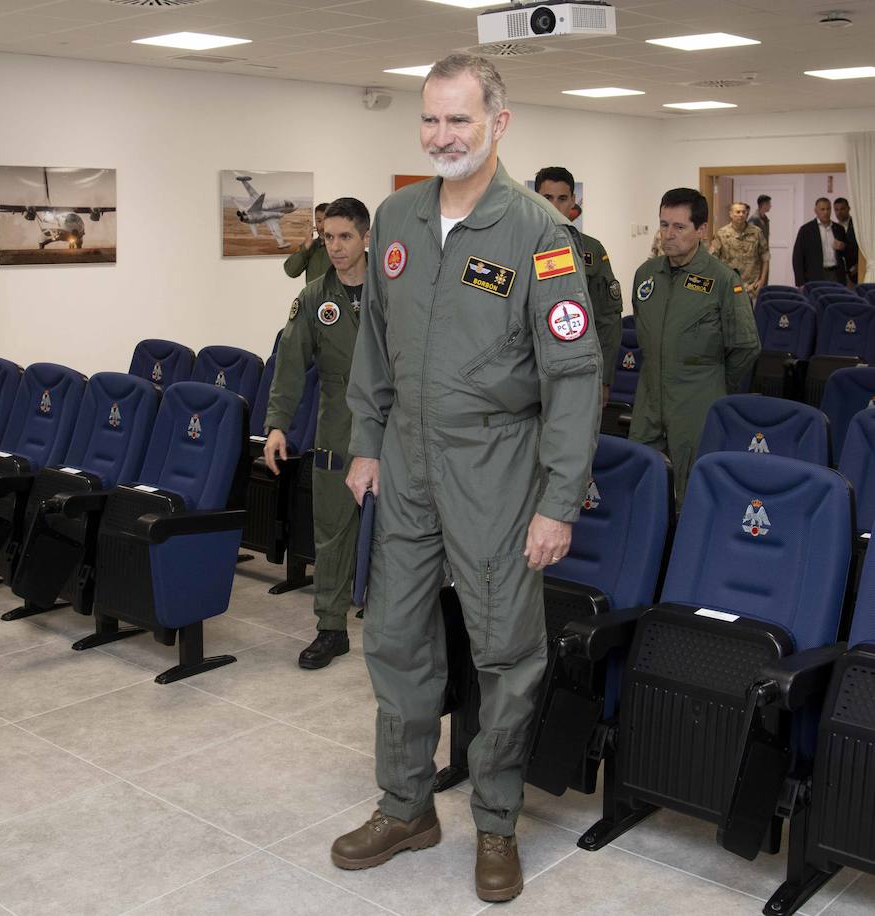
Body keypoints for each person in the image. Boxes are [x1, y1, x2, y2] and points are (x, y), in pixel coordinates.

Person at [333, 54, 601, 903]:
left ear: (499, 123)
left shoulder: (537, 234)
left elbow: (574, 377)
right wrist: (366, 441)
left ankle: (495, 823)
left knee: (505, 653)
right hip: (407, 461)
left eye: (459, 120)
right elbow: (375, 339)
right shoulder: (398, 216)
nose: (442, 136)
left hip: (495, 464)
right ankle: (406, 805)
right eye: (430, 120)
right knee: (395, 639)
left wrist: (558, 501)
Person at [263, 197, 369, 670]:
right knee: (331, 534)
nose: (336, 246)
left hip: (395, 428)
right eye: (329, 237)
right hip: (337, 428)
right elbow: (288, 366)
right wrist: (277, 426)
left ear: (366, 238)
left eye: (345, 236)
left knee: (404, 537)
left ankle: (405, 630)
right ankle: (331, 628)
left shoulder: (396, 292)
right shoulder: (313, 298)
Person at [630, 188, 760, 504]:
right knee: (640, 486)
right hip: (649, 401)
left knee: (689, 494)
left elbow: (746, 346)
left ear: (701, 230)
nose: (667, 235)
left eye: (679, 227)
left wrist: (715, 385)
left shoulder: (722, 279)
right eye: (663, 225)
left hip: (695, 402)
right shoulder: (646, 275)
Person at [535, 166, 622, 404]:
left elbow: (608, 319)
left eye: (562, 199)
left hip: (576, 368)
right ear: (534, 198)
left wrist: (604, 379)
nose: (554, 206)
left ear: (573, 201)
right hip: (528, 369)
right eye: (547, 198)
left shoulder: (591, 250)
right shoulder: (518, 245)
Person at [710, 201, 769, 298]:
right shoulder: (721, 234)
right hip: (729, 285)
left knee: (750, 312)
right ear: (731, 214)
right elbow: (713, 259)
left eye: (744, 212)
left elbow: (765, 257)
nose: (741, 214)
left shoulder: (756, 232)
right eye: (737, 212)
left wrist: (762, 281)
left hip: (751, 286)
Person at [793, 196, 851, 285]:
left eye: (828, 209)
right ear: (816, 211)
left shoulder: (839, 229)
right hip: (815, 276)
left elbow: (847, 252)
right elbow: (798, 257)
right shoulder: (806, 230)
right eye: (822, 209)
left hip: (836, 275)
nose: (826, 212)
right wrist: (800, 283)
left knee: (836, 299)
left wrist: (843, 247)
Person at [284, 202, 332, 282]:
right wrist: (306, 246)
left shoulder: (340, 246)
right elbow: (291, 271)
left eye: (326, 221)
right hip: (313, 295)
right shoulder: (310, 246)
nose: (322, 227)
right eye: (319, 221)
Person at [834, 197, 861, 286]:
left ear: (848, 209)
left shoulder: (858, 225)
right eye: (836, 210)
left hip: (856, 270)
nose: (839, 212)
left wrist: (859, 265)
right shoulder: (833, 228)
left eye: (842, 209)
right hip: (838, 273)